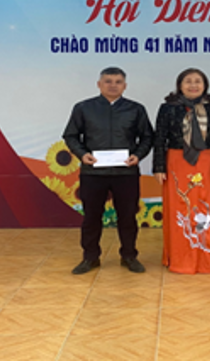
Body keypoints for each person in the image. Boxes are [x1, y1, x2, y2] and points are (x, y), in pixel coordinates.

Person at [63, 67, 154, 275]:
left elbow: (148, 137)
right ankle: (90, 257)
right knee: (91, 218)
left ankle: (129, 256)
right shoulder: (83, 108)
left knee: (128, 217)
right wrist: (82, 154)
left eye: (118, 82)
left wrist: (137, 155)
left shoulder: (136, 109)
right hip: (93, 173)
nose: (113, 85)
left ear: (125, 86)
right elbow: (71, 136)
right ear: (99, 84)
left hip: (126, 173)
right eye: (108, 81)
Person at [153, 68, 210, 274]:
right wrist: (159, 167)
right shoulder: (167, 108)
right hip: (176, 162)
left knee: (207, 209)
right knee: (179, 207)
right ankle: (179, 258)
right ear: (180, 85)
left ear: (205, 85)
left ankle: (207, 258)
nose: (193, 85)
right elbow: (159, 138)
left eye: (198, 81)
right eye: (188, 81)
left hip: (207, 163)